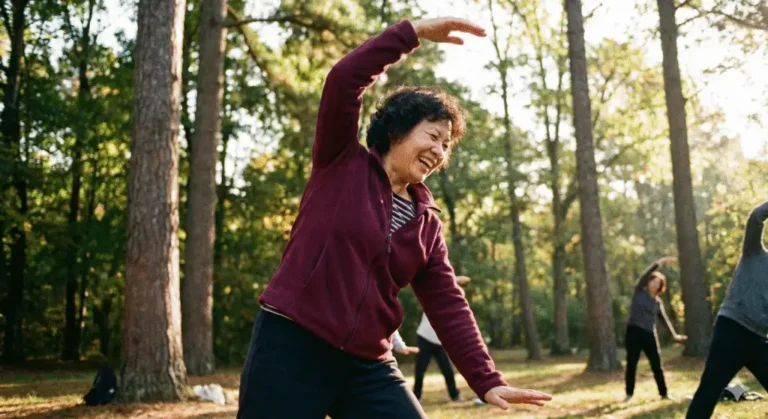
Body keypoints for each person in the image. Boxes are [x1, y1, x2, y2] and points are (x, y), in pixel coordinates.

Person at [236, 17, 552, 419]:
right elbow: (343, 80)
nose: (440, 151)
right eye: (433, 136)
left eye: (446, 145)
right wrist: (413, 33)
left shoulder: (427, 225)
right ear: (398, 130)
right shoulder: (341, 163)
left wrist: (486, 379)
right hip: (292, 345)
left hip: (367, 363)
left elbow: (448, 304)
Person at [686, 201, 768, 418]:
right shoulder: (754, 252)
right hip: (732, 330)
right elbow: (755, 218)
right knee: (709, 391)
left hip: (758, 340)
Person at [393, 276, 471, 403]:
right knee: (420, 371)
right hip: (424, 339)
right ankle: (416, 397)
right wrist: (454, 280)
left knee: (447, 371)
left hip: (440, 343)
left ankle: (455, 395)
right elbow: (437, 282)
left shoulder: (455, 313)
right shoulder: (435, 300)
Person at [624, 256, 687, 403]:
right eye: (653, 280)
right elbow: (645, 274)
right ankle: (629, 393)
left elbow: (664, 319)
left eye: (658, 283)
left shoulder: (657, 302)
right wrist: (660, 263)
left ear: (660, 287)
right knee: (632, 363)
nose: (655, 284)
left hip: (649, 334)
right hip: (633, 332)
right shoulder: (639, 292)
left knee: (657, 365)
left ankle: (664, 393)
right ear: (648, 282)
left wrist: (675, 335)